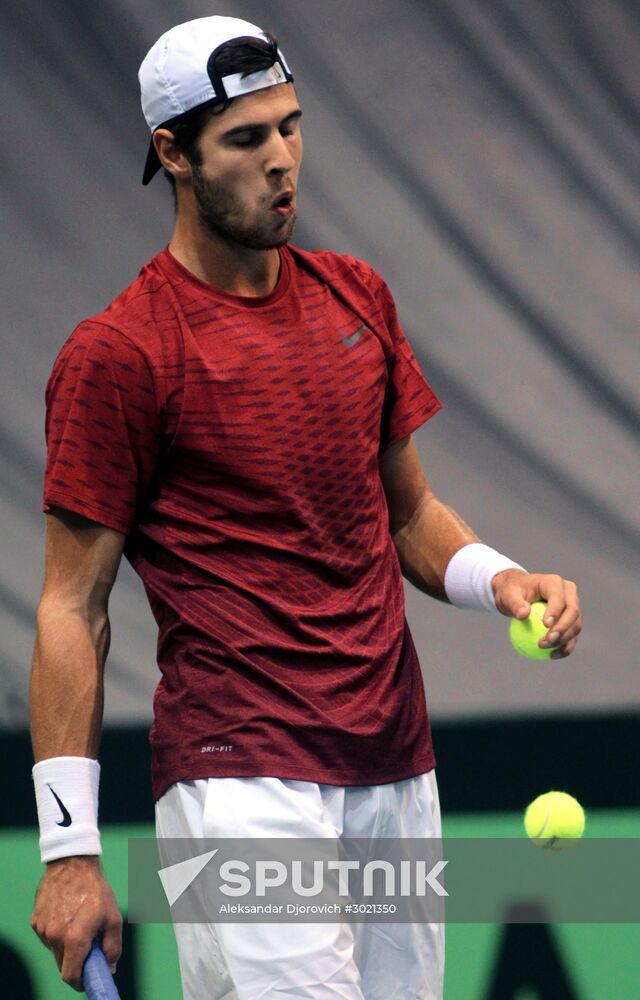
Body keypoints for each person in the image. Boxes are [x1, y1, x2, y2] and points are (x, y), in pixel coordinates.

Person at [29, 14, 582, 1000]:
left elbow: (407, 515)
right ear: (175, 154)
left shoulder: (355, 297)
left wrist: (501, 578)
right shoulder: (120, 353)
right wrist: (68, 850)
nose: (282, 160)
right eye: (246, 140)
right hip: (239, 772)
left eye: (290, 127)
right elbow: (74, 605)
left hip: (392, 761)